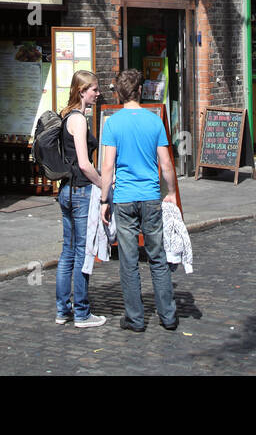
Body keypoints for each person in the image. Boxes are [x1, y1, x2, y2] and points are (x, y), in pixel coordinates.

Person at [100, 69, 179, 330]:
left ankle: (135, 318)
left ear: (120, 93)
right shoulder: (154, 121)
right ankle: (168, 316)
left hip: (124, 198)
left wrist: (103, 199)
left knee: (129, 260)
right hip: (149, 197)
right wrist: (171, 192)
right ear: (140, 91)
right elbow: (166, 162)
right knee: (157, 257)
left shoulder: (112, 123)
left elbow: (108, 166)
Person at [54, 70, 106, 328]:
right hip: (82, 192)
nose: (98, 94)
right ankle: (82, 313)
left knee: (67, 252)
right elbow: (85, 164)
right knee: (83, 254)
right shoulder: (80, 120)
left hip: (66, 191)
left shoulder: (66, 116)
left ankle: (63, 310)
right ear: (81, 91)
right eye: (94, 90)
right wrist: (104, 185)